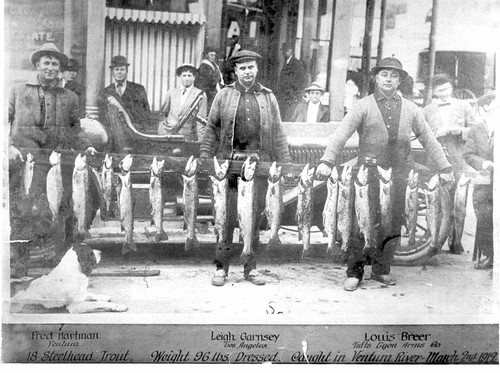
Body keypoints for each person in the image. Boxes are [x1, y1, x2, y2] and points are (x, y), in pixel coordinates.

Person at [315, 57, 454, 292]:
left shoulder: (411, 109)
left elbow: (429, 139)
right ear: (376, 78)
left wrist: (445, 167)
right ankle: (355, 272)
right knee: (362, 222)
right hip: (367, 175)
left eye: (394, 76)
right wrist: (327, 161)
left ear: (400, 80)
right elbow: (341, 134)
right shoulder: (363, 106)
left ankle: (381, 270)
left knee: (393, 224)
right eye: (384, 75)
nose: (388, 79)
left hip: (401, 173)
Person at [200, 49, 291, 287]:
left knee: (253, 218)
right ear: (236, 71)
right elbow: (211, 128)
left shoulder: (269, 97)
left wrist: (286, 162)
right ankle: (221, 268)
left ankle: (251, 268)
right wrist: (205, 157)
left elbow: (279, 133)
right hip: (230, 165)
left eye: (251, 67)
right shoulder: (224, 96)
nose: (247, 72)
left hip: (259, 166)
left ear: (257, 69)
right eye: (243, 68)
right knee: (226, 217)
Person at [8, 43, 97, 258]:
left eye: (55, 64)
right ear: (37, 65)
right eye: (46, 62)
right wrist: (8, 146)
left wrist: (87, 146)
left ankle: (57, 257)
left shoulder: (70, 97)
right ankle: (19, 259)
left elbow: (75, 130)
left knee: (59, 208)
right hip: (23, 160)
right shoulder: (17, 91)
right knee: (22, 209)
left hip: (55, 162)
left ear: (60, 69)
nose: (50, 67)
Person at [423, 74, 477, 254]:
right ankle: (434, 240)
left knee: (458, 201)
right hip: (435, 160)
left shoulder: (464, 106)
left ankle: (456, 241)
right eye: (439, 91)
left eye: (446, 89)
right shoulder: (427, 110)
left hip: (457, 159)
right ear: (433, 92)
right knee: (436, 201)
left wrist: (459, 131)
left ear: (452, 88)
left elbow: (477, 131)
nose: (443, 94)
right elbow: (420, 133)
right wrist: (433, 134)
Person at [464, 93, 496, 270]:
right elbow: (468, 155)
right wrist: (483, 163)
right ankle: (490, 255)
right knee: (484, 216)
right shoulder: (476, 130)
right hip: (484, 183)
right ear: (484, 110)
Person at [99, 55, 152, 131]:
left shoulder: (138, 89)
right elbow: (102, 115)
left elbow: (146, 112)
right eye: (117, 69)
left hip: (135, 132)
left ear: (127, 71)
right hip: (114, 133)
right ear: (112, 72)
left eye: (122, 69)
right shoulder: (105, 92)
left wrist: (140, 128)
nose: (119, 72)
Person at [157, 63, 207, 141]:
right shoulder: (172, 92)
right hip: (167, 134)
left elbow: (201, 121)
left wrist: (201, 142)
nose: (187, 78)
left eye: (189, 75)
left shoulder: (200, 94)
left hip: (186, 136)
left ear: (194, 77)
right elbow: (163, 113)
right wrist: (161, 130)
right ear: (180, 77)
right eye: (184, 75)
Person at [276, 41, 306, 122]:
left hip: (290, 100)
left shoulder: (297, 63)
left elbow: (300, 82)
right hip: (284, 99)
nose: (284, 53)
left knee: (289, 119)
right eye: (283, 51)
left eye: (286, 51)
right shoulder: (287, 62)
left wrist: (294, 96)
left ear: (291, 51)